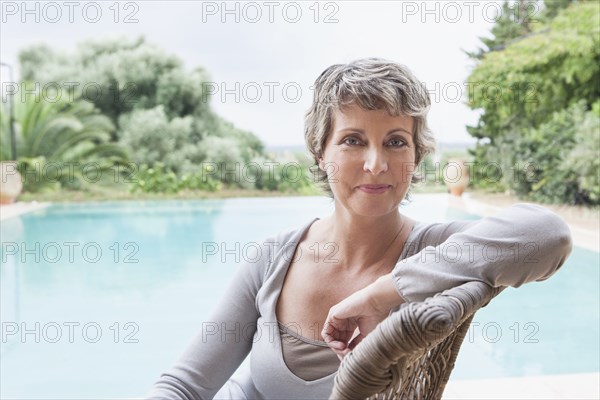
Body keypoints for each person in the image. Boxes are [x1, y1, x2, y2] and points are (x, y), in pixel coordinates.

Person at [146, 58, 573, 399]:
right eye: (353, 140)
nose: (376, 164)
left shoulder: (435, 250)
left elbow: (548, 235)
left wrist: (385, 292)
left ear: (416, 157)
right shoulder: (274, 257)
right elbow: (184, 386)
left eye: (395, 141)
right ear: (320, 152)